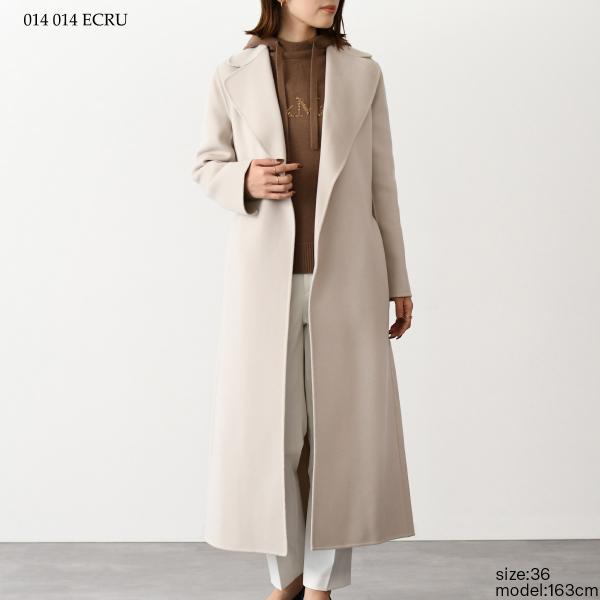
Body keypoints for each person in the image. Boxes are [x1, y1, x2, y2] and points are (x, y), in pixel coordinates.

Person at [192, 1, 415, 599]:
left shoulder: (363, 72)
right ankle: (286, 577)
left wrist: (397, 277)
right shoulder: (232, 72)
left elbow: (382, 183)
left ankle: (319, 585)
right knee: (275, 437)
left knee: (339, 435)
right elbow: (206, 164)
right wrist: (244, 178)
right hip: (264, 280)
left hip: (350, 275)